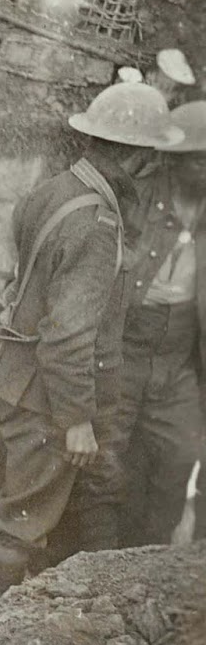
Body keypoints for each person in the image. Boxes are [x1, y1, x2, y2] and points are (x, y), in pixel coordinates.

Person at [0, 84, 183, 610]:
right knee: (24, 519)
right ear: (139, 156)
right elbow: (69, 333)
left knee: (24, 498)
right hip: (46, 396)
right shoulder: (96, 224)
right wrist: (77, 419)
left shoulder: (57, 189)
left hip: (17, 375)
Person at [80, 101, 206, 545]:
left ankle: (148, 563)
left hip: (180, 357)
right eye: (197, 159)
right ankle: (96, 570)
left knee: (182, 457)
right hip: (125, 349)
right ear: (171, 158)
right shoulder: (138, 197)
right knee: (105, 460)